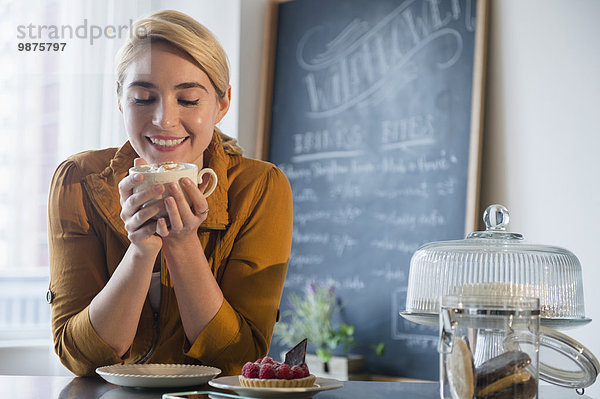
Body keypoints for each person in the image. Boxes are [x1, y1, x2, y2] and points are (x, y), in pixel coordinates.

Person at [47, 10, 293, 377]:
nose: (164, 119)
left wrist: (182, 243)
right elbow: (79, 358)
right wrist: (142, 249)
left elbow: (237, 359)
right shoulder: (77, 181)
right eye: (144, 98)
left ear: (222, 104)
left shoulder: (260, 187)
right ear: (120, 102)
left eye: (189, 100)